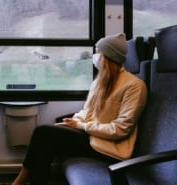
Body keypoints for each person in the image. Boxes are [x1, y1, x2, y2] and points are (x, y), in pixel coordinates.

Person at [11, 33, 148, 185]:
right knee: (46, 136)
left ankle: (19, 181)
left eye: (98, 52)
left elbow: (121, 129)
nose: (95, 56)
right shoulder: (101, 81)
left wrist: (82, 126)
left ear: (108, 57)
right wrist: (73, 122)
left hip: (109, 148)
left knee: (43, 133)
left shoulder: (135, 86)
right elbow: (87, 111)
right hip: (93, 137)